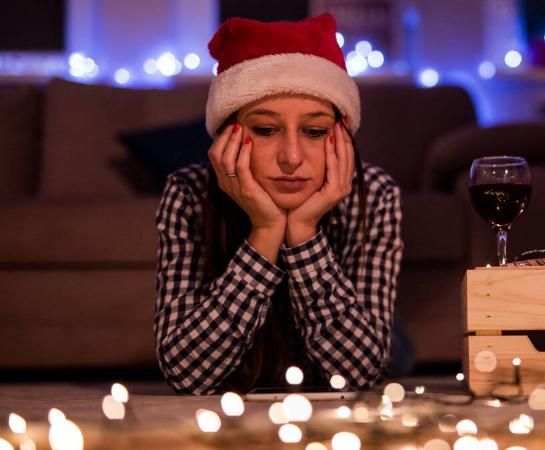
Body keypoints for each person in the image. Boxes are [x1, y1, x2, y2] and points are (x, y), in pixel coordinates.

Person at [154, 13, 403, 395]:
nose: (291, 157)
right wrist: (266, 231)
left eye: (315, 131)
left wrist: (302, 233)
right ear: (228, 136)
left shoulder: (375, 193)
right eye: (266, 130)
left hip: (365, 335)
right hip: (250, 371)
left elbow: (359, 375)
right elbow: (187, 376)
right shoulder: (187, 193)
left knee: (397, 350)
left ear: (340, 138)